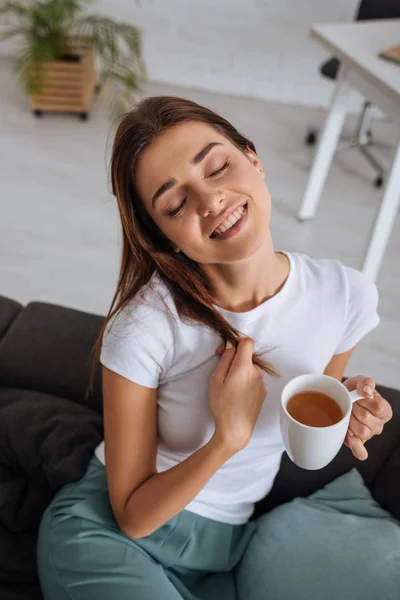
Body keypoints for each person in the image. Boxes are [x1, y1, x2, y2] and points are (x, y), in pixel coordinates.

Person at [37, 96, 393, 600]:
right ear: (165, 238)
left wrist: (347, 412)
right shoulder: (144, 329)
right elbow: (132, 517)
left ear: (253, 157)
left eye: (218, 165)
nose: (211, 201)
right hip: (112, 535)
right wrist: (227, 438)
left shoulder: (346, 297)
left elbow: (305, 423)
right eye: (175, 203)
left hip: (226, 550)